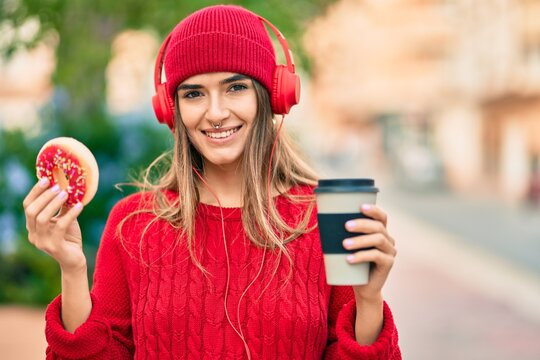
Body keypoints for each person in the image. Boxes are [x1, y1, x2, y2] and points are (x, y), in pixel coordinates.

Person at [23, 5, 400, 359]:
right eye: (193, 94)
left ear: (272, 96)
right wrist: (72, 270)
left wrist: (368, 300)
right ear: (171, 109)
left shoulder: (324, 220)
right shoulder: (133, 224)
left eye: (236, 88)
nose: (216, 113)